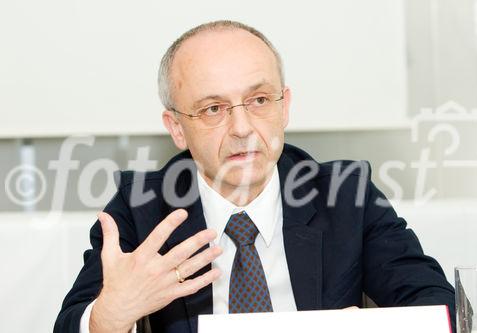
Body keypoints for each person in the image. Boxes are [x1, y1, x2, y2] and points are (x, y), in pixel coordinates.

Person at [54, 20, 455, 333]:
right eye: (213, 109)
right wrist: (109, 317)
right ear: (177, 128)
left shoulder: (345, 195)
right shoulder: (141, 207)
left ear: (285, 106)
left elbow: (436, 306)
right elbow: (71, 322)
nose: (243, 128)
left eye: (259, 100)